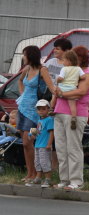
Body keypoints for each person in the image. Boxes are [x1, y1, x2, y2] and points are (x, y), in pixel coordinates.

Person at [53, 45, 89, 191]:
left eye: (75, 56)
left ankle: (76, 181)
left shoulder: (87, 74)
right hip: (59, 111)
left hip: (75, 114)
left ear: (81, 58)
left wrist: (61, 94)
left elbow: (81, 92)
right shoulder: (68, 71)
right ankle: (64, 179)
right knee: (61, 148)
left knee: (73, 147)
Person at [16, 45, 56, 184]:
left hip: (34, 113)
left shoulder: (42, 70)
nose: (23, 57)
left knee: (29, 140)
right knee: (24, 144)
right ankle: (30, 173)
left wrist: (51, 104)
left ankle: (36, 173)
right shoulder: (27, 69)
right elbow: (20, 81)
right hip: (22, 109)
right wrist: (22, 93)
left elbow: (52, 88)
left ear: (31, 55)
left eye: (25, 54)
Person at [50, 50, 85, 130]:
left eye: (64, 60)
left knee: (54, 95)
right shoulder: (78, 68)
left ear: (69, 61)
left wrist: (57, 80)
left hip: (62, 89)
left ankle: (51, 108)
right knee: (72, 105)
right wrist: (78, 77)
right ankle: (73, 118)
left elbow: (61, 78)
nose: (63, 62)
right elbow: (83, 77)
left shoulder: (64, 69)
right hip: (72, 89)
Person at [29, 99, 55, 188]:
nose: (41, 111)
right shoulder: (39, 120)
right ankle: (38, 177)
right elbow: (36, 131)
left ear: (48, 109)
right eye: (39, 109)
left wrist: (49, 144)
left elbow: (51, 132)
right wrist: (32, 135)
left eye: (43, 109)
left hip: (44, 145)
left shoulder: (49, 120)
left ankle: (48, 179)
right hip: (37, 145)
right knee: (37, 162)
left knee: (45, 162)